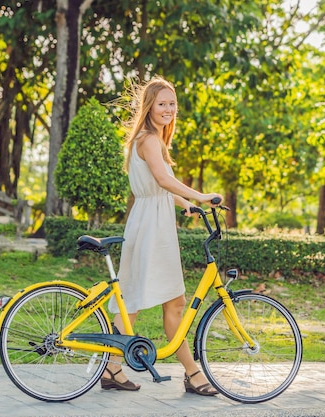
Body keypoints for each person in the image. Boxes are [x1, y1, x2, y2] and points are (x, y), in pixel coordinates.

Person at [102, 76, 222, 396]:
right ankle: (192, 373)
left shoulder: (151, 139)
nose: (169, 109)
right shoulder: (149, 139)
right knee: (155, 301)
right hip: (151, 227)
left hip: (151, 221)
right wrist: (200, 196)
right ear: (149, 106)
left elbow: (160, 186)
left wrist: (184, 204)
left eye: (172, 104)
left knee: (145, 301)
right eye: (162, 104)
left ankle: (113, 367)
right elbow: (161, 180)